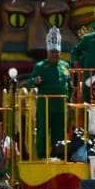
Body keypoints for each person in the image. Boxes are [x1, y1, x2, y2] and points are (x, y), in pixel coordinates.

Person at [29, 27, 71, 159]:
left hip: (60, 105)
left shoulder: (65, 65)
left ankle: (57, 156)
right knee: (43, 130)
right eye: (52, 52)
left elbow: (68, 83)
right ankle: (41, 156)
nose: (55, 54)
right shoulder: (40, 66)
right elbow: (31, 81)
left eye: (57, 52)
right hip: (45, 104)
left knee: (59, 132)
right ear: (48, 52)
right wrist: (35, 81)